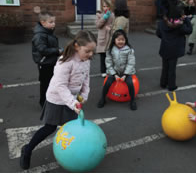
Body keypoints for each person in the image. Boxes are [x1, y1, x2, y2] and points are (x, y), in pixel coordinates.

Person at [20, 30, 97, 170]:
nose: (91, 54)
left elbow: (86, 79)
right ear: (76, 46)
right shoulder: (65, 62)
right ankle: (27, 149)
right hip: (57, 98)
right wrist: (73, 103)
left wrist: (84, 95)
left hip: (72, 100)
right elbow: (60, 86)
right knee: (49, 127)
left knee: (72, 127)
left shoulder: (86, 60)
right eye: (88, 51)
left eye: (93, 51)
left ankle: (72, 153)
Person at [156, 0, 192, 91]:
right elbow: (189, 30)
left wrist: (165, 38)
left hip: (165, 47)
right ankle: (171, 85)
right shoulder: (180, 25)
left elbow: (158, 33)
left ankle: (163, 83)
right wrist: (186, 19)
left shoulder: (162, 23)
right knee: (172, 68)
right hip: (175, 48)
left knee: (165, 67)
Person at [97, 29, 137, 111]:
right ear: (114, 40)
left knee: (130, 83)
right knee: (107, 82)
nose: (121, 41)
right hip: (114, 72)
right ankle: (103, 98)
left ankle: (132, 100)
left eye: (123, 39)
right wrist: (114, 74)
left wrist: (125, 74)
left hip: (126, 72)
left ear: (125, 40)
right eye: (118, 39)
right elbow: (108, 63)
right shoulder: (110, 50)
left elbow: (131, 63)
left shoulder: (129, 50)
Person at [32, 11, 63, 108]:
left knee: (52, 82)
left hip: (50, 62)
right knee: (45, 84)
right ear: (43, 22)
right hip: (45, 63)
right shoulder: (40, 35)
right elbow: (42, 50)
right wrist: (57, 51)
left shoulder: (47, 32)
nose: (53, 24)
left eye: (54, 21)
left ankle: (51, 100)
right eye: (51, 22)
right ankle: (43, 103)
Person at [96, 0, 115, 78]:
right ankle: (103, 71)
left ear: (110, 7)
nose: (105, 8)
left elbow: (114, 25)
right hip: (102, 38)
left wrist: (110, 27)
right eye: (104, 6)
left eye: (107, 6)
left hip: (109, 37)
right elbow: (98, 25)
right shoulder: (100, 15)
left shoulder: (112, 15)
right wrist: (104, 18)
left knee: (109, 55)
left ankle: (109, 69)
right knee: (102, 56)